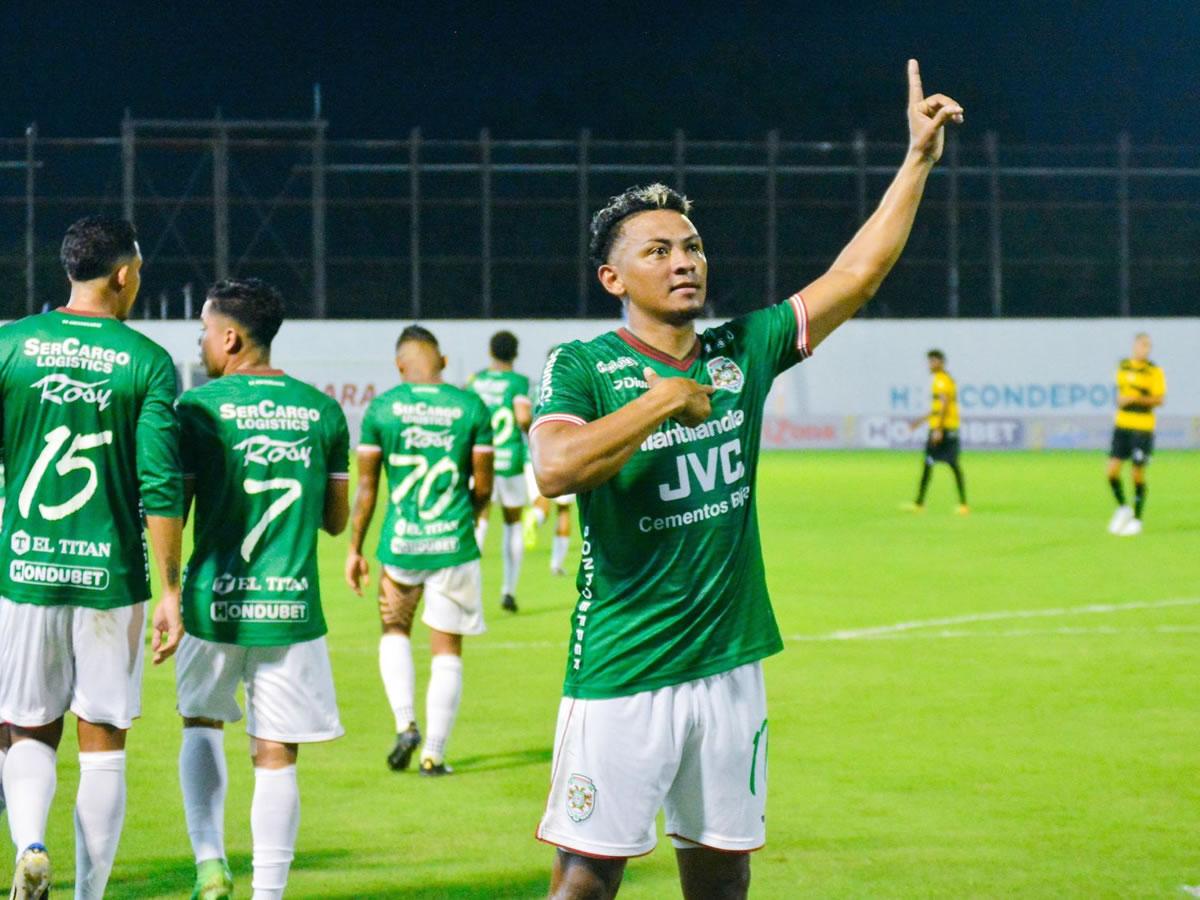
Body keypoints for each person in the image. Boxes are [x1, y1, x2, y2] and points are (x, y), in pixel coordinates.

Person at [529, 60, 961, 899]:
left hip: (730, 665)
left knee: (724, 880)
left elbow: (855, 276)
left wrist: (915, 161)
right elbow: (554, 467)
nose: (684, 260)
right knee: (584, 883)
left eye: (690, 244)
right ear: (614, 280)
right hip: (622, 669)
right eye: (657, 251)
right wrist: (659, 407)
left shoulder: (741, 350)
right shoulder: (581, 364)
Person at [0, 215, 184, 899]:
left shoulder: (10, 345)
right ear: (125, 274)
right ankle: (89, 895)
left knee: (26, 728)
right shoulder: (147, 361)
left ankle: (31, 846)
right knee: (103, 739)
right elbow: (162, 485)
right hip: (111, 579)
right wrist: (170, 589)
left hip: (25, 574)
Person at [173, 277, 350, 900]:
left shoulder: (197, 409)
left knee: (201, 723)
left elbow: (178, 507)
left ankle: (209, 866)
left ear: (228, 336)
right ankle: (267, 895)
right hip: (293, 609)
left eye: (202, 330)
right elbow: (335, 519)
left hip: (211, 606)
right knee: (276, 754)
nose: (199, 342)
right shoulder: (322, 409)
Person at [345, 325, 494, 776]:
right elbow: (484, 486)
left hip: (401, 544)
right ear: (443, 361)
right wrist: (465, 518)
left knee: (394, 631)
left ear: (400, 366)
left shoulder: (382, 409)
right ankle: (434, 751)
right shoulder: (470, 406)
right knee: (446, 649)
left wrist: (355, 548)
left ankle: (405, 721)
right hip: (453, 544)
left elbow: (367, 489)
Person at [469, 330, 533, 611]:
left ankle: (469, 589)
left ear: (490, 352)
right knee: (512, 523)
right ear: (515, 353)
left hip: (480, 461)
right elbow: (523, 417)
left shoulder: (476, 382)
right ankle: (509, 590)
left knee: (480, 521)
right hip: (510, 463)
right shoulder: (519, 383)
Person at [1106, 332, 1166, 536]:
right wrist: (1123, 400)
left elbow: (1159, 399)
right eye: (1143, 346)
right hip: (1122, 426)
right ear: (1135, 347)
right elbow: (1122, 394)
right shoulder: (1123, 367)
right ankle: (1123, 508)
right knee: (1112, 471)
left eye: (1148, 346)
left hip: (1143, 428)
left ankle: (1137, 521)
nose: (1146, 350)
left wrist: (1135, 399)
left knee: (1137, 474)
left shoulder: (1154, 371)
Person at [908, 348, 968, 514]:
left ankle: (962, 503)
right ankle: (920, 502)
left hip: (944, 429)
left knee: (951, 465)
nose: (930, 364)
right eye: (929, 361)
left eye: (933, 361)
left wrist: (938, 429)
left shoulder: (942, 380)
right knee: (932, 465)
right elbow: (937, 408)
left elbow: (944, 405)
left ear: (941, 362)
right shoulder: (941, 379)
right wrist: (919, 422)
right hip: (942, 427)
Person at [523, 462, 576, 576]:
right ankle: (556, 565)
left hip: (534, 462)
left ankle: (535, 517)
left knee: (541, 506)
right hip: (564, 462)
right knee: (563, 510)